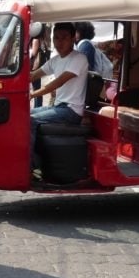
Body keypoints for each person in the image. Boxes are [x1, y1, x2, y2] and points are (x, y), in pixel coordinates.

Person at [28, 22, 88, 175]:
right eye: (56, 38)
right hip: (59, 107)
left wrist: (33, 94)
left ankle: (29, 165)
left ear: (73, 38)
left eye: (64, 38)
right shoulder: (56, 60)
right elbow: (34, 74)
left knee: (30, 120)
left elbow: (56, 83)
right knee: (25, 115)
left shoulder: (79, 59)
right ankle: (38, 158)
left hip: (71, 111)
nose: (59, 42)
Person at [28, 22, 46, 108]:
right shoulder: (38, 38)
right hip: (35, 66)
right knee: (36, 87)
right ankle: (37, 106)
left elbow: (33, 54)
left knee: (36, 88)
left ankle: (38, 106)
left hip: (35, 66)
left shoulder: (35, 39)